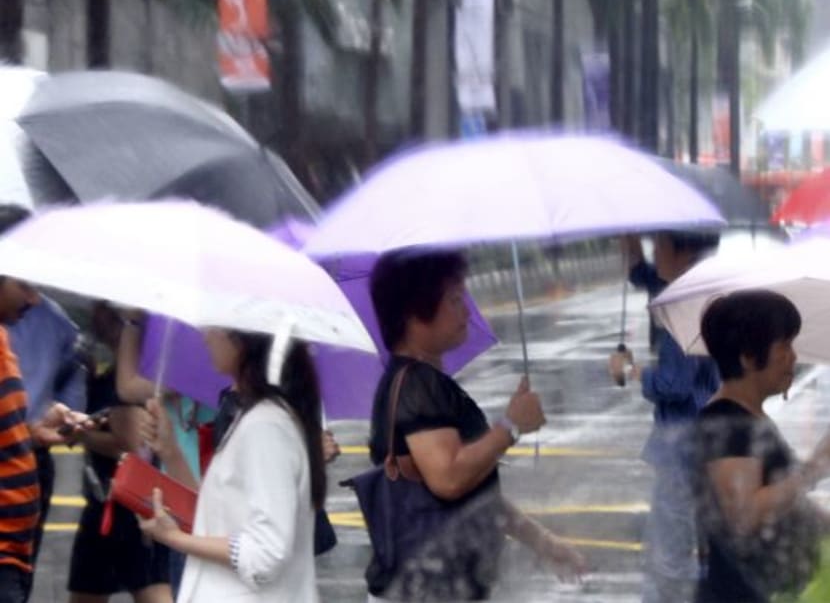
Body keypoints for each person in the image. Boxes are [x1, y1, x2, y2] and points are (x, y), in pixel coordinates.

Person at [365, 249, 586, 601]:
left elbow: (473, 495)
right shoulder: (417, 386)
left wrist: (541, 541)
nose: (466, 311)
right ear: (414, 313)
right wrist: (510, 425)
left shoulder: (418, 382)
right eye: (454, 300)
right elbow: (449, 478)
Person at [138, 331, 324, 602]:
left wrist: (175, 539)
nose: (205, 337)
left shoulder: (265, 426)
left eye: (216, 328)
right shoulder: (255, 419)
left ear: (243, 340)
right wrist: (171, 452)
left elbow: (266, 553)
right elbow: (216, 519)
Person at [694, 290, 830, 603]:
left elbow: (783, 500)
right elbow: (745, 515)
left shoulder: (747, 420)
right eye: (784, 346)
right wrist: (817, 465)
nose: (793, 357)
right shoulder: (727, 424)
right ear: (747, 356)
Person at [608, 231, 721, 603]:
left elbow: (675, 383)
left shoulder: (684, 308)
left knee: (668, 547)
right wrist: (630, 243)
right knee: (702, 538)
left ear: (683, 251)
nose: (654, 251)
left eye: (659, 244)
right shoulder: (700, 290)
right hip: (705, 432)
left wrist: (631, 370)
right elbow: (644, 276)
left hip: (682, 440)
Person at [0, 205, 87, 571]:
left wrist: (35, 429)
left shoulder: (49, 327)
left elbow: (73, 372)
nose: (33, 298)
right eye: (25, 283)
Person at [67, 302, 172, 603]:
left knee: (151, 588)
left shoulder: (128, 379)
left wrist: (83, 435)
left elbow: (127, 444)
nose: (95, 316)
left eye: (103, 309)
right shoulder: (120, 372)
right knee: (88, 590)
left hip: (127, 504)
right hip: (106, 499)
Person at [114, 312, 216, 596]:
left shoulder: (199, 371)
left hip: (203, 509)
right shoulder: (187, 373)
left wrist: (132, 323)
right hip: (185, 502)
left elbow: (128, 385)